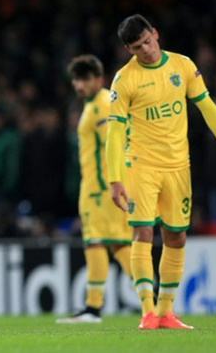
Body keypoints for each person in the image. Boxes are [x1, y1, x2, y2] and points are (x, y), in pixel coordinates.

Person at [106, 15, 216, 330]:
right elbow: (115, 133)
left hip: (178, 166)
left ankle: (166, 312)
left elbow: (207, 107)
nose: (146, 50)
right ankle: (147, 312)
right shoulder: (124, 80)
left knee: (176, 236)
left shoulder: (183, 66)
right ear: (129, 50)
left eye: (148, 41)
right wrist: (115, 179)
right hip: (140, 166)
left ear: (156, 34)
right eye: (137, 47)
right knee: (143, 231)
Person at [56, 55, 132, 324]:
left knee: (97, 242)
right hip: (98, 187)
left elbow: (113, 146)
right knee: (119, 244)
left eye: (85, 79)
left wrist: (109, 184)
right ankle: (152, 296)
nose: (79, 85)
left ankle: (93, 308)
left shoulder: (102, 105)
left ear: (99, 79)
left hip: (101, 190)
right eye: (76, 80)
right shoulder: (94, 105)